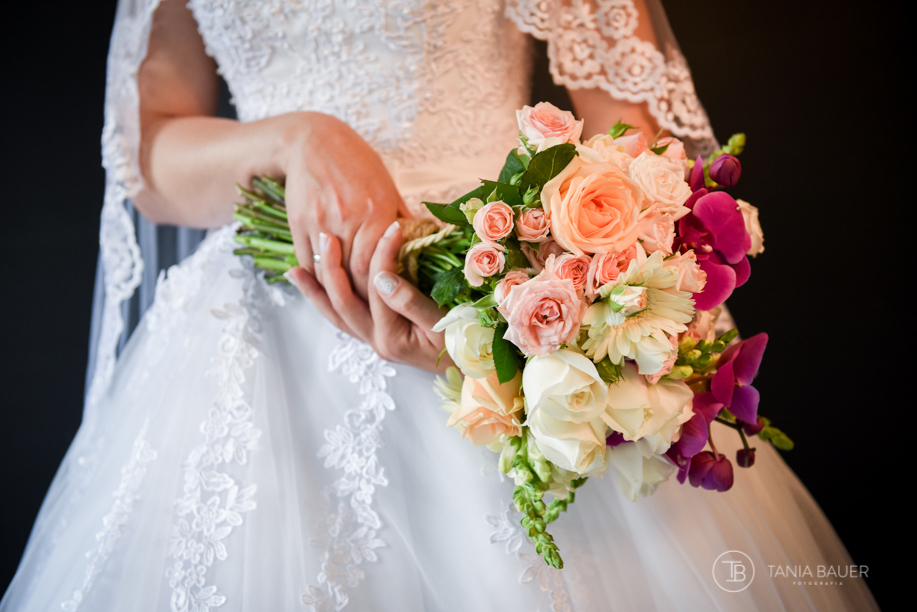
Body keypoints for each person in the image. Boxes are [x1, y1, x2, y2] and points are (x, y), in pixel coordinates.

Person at [1, 1, 878, 610]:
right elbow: (150, 153)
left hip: (499, 280)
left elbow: (639, 142)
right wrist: (296, 139)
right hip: (247, 332)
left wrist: (527, 305)